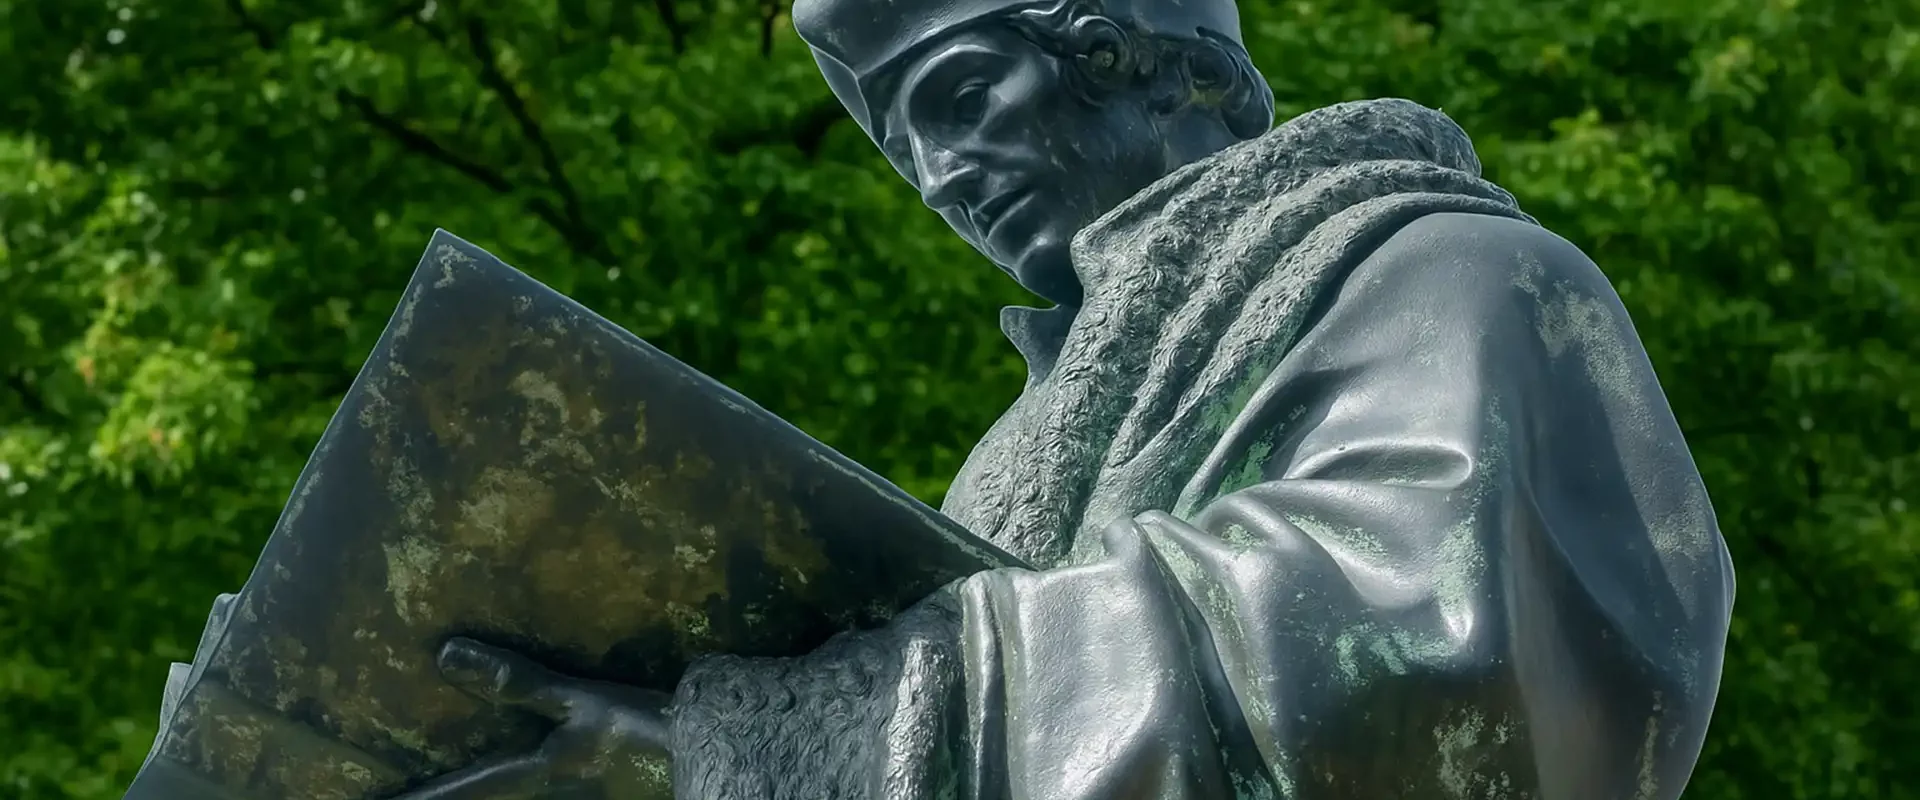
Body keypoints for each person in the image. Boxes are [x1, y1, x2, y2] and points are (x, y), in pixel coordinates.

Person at [384, 0, 1737, 796]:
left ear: (1128, 46)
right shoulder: (1014, 458)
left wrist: (822, 722)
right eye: (900, 134)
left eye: (962, 91)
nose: (935, 169)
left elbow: (1460, 656)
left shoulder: (1463, 281)